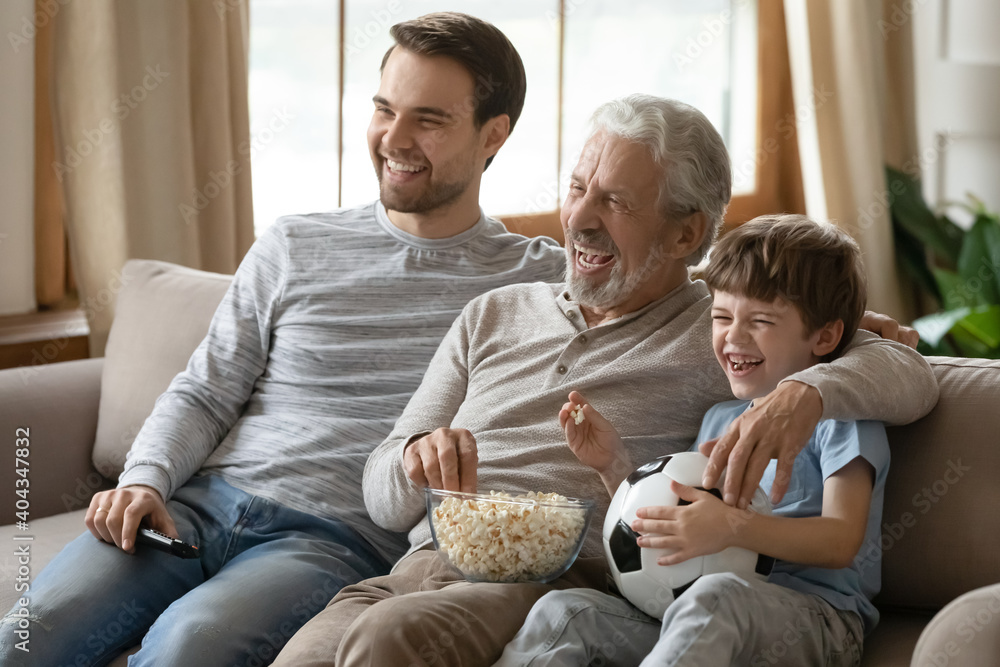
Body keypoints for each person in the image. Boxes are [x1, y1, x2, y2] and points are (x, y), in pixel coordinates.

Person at [272, 95, 938, 667]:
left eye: (615, 200)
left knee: (387, 642)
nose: (580, 218)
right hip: (416, 567)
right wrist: (414, 460)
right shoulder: (493, 313)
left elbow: (910, 375)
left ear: (687, 234)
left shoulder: (721, 333)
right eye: (576, 187)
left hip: (539, 576)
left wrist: (813, 385)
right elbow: (384, 496)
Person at [0, 12, 569, 666]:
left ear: (493, 134)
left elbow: (656, 302)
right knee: (31, 631)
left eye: (430, 119)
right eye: (384, 109)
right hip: (192, 508)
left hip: (333, 541)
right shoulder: (295, 242)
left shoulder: (534, 279)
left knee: (190, 644)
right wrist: (146, 479)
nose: (395, 138)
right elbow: (206, 389)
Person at [497, 214, 886, 666]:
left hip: (819, 620)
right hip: (697, 609)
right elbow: (679, 511)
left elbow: (840, 542)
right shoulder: (719, 418)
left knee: (718, 598)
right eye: (722, 316)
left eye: (760, 321)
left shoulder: (841, 417)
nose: (734, 337)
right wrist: (614, 465)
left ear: (825, 336)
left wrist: (732, 527)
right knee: (566, 612)